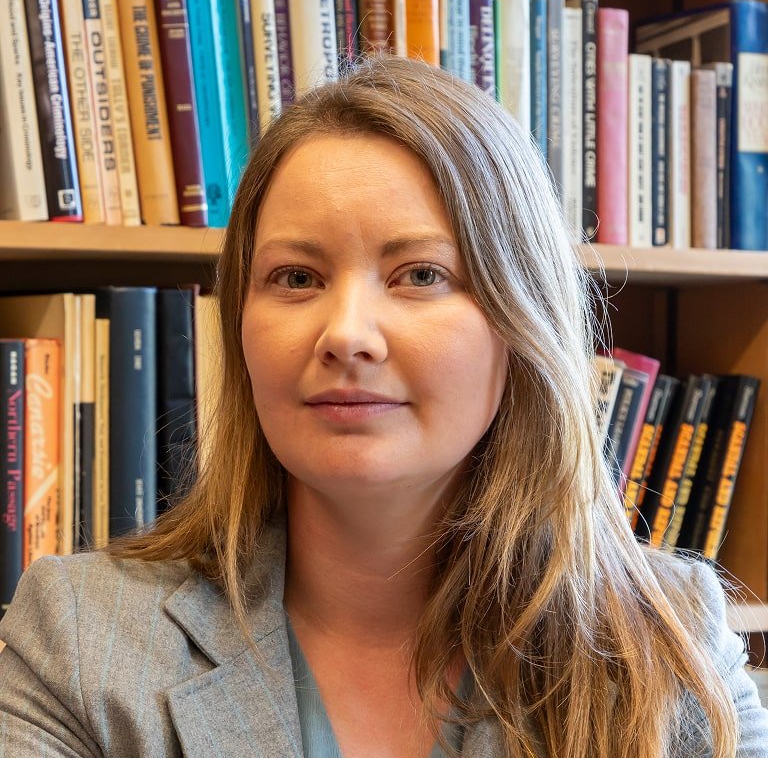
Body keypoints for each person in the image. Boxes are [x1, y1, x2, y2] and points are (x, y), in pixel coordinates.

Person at [1, 56, 767, 758]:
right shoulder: (78, 639)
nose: (346, 335)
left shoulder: (669, 646)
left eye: (420, 275)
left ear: (520, 324)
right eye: (297, 278)